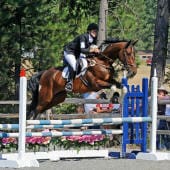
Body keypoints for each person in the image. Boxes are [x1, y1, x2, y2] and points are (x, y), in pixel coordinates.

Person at [63, 23, 100, 91]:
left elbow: (91, 49)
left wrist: (96, 50)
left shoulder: (93, 39)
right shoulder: (83, 37)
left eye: (96, 31)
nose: (95, 32)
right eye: (93, 31)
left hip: (78, 53)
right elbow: (83, 50)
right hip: (69, 52)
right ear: (89, 31)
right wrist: (92, 49)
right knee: (74, 66)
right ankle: (69, 83)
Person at [156, 86, 170, 150]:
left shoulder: (166, 97)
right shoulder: (157, 97)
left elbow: (166, 97)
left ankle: (167, 146)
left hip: (164, 117)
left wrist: (160, 97)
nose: (160, 92)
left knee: (165, 133)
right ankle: (158, 146)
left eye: (161, 91)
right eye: (159, 91)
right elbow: (150, 98)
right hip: (159, 117)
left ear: (164, 92)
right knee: (158, 132)